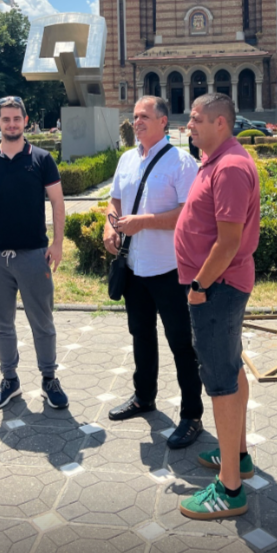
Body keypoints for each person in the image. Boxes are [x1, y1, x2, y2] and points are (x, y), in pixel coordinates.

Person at [174, 93, 260, 521]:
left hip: (217, 288)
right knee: (231, 366)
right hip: (219, 286)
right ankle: (236, 455)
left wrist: (199, 285)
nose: (188, 125)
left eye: (196, 119)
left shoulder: (229, 168)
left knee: (221, 381)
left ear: (220, 122)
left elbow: (228, 242)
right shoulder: (215, 160)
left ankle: (230, 489)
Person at [103, 96, 203, 448]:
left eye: (144, 116)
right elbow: (115, 200)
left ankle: (192, 415)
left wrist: (144, 222)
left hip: (170, 269)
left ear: (163, 121)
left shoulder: (181, 162)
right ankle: (144, 397)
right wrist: (109, 226)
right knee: (141, 335)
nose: (137, 122)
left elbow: (188, 213)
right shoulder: (127, 159)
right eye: (135, 116)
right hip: (134, 267)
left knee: (181, 342)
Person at [0, 95, 68, 412]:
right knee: (1, 324)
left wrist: (57, 243)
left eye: (16, 118)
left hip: (34, 255)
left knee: (43, 322)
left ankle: (49, 378)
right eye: (6, 119)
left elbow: (58, 202)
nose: (11, 124)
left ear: (25, 121)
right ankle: (9, 380)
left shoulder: (41, 159)